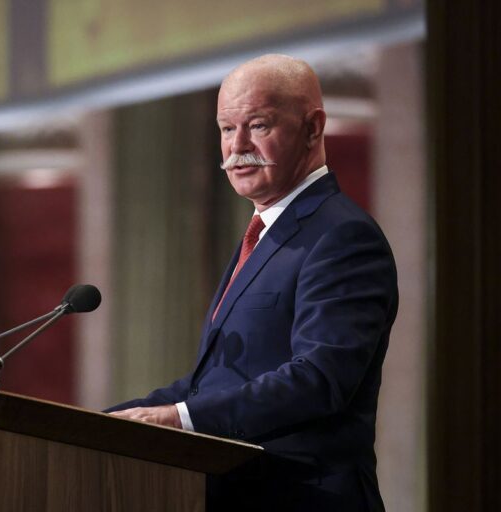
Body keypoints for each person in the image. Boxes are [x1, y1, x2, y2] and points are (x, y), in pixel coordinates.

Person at [107, 54, 398, 511]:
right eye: (227, 129)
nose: (237, 146)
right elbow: (216, 383)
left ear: (313, 128)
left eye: (258, 125)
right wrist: (98, 423)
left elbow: (319, 379)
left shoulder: (342, 236)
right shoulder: (264, 235)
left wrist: (181, 419)